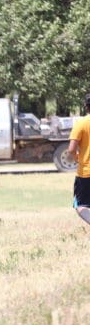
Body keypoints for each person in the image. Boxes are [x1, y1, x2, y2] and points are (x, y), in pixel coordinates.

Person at [69, 93, 90, 226]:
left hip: (86, 172)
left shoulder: (81, 123)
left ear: (86, 106)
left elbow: (71, 149)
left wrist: (78, 159)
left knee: (81, 205)